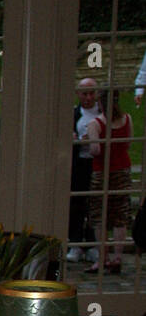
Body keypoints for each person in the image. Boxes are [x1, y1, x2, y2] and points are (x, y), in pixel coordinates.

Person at [87, 88, 134, 273]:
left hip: (102, 172)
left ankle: (102, 258)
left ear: (100, 103)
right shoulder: (127, 119)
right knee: (120, 216)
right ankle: (117, 257)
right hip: (122, 170)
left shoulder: (96, 123)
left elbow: (95, 150)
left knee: (100, 216)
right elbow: (128, 143)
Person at [68, 77, 102, 261]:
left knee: (95, 205)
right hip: (79, 164)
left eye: (91, 93)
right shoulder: (73, 115)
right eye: (84, 93)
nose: (88, 97)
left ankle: (92, 244)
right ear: (78, 94)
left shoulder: (103, 114)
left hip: (98, 164)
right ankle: (75, 243)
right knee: (76, 204)